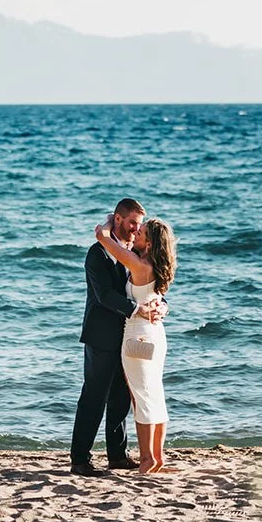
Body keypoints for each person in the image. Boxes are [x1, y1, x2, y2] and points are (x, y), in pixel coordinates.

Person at [70, 198, 164, 476]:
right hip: (101, 335)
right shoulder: (96, 254)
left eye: (139, 224)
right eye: (132, 222)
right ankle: (80, 459)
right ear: (119, 220)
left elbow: (149, 284)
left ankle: (117, 455)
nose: (136, 229)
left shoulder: (133, 253)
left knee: (122, 397)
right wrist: (138, 309)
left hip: (129, 337)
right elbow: (104, 295)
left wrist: (161, 306)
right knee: (93, 396)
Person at [94, 213, 177, 473]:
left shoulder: (140, 265)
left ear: (150, 243)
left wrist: (110, 220)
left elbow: (102, 238)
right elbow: (158, 300)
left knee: (141, 397)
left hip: (138, 334)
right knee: (155, 394)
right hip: (155, 334)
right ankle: (158, 457)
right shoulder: (156, 266)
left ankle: (147, 459)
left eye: (140, 233)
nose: (136, 233)